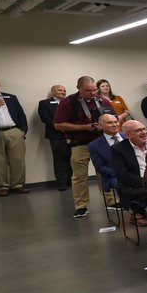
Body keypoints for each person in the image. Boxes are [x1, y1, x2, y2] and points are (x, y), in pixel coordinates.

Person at [55, 76, 116, 217]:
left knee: (106, 172)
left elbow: (114, 118)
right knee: (79, 176)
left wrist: (104, 125)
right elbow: (58, 125)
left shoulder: (103, 101)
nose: (93, 93)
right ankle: (81, 205)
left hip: (101, 143)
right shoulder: (68, 102)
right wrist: (86, 127)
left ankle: (112, 201)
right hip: (80, 144)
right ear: (79, 88)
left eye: (95, 89)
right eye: (88, 90)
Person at [110, 119, 147, 230]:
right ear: (128, 135)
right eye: (138, 130)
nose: (143, 132)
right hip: (134, 186)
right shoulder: (118, 149)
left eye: (144, 129)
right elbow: (123, 175)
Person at [38, 84, 71, 190]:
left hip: (71, 134)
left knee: (73, 159)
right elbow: (45, 118)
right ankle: (62, 183)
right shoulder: (44, 103)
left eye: (64, 90)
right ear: (53, 92)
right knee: (59, 160)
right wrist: (59, 127)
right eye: (60, 90)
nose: (63, 91)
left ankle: (71, 181)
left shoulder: (71, 102)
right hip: (56, 134)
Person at [87, 113, 124, 209]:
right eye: (110, 123)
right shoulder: (94, 145)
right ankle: (137, 212)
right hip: (113, 176)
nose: (115, 125)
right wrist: (121, 173)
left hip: (137, 172)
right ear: (100, 126)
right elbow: (100, 167)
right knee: (126, 185)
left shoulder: (129, 137)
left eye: (116, 122)